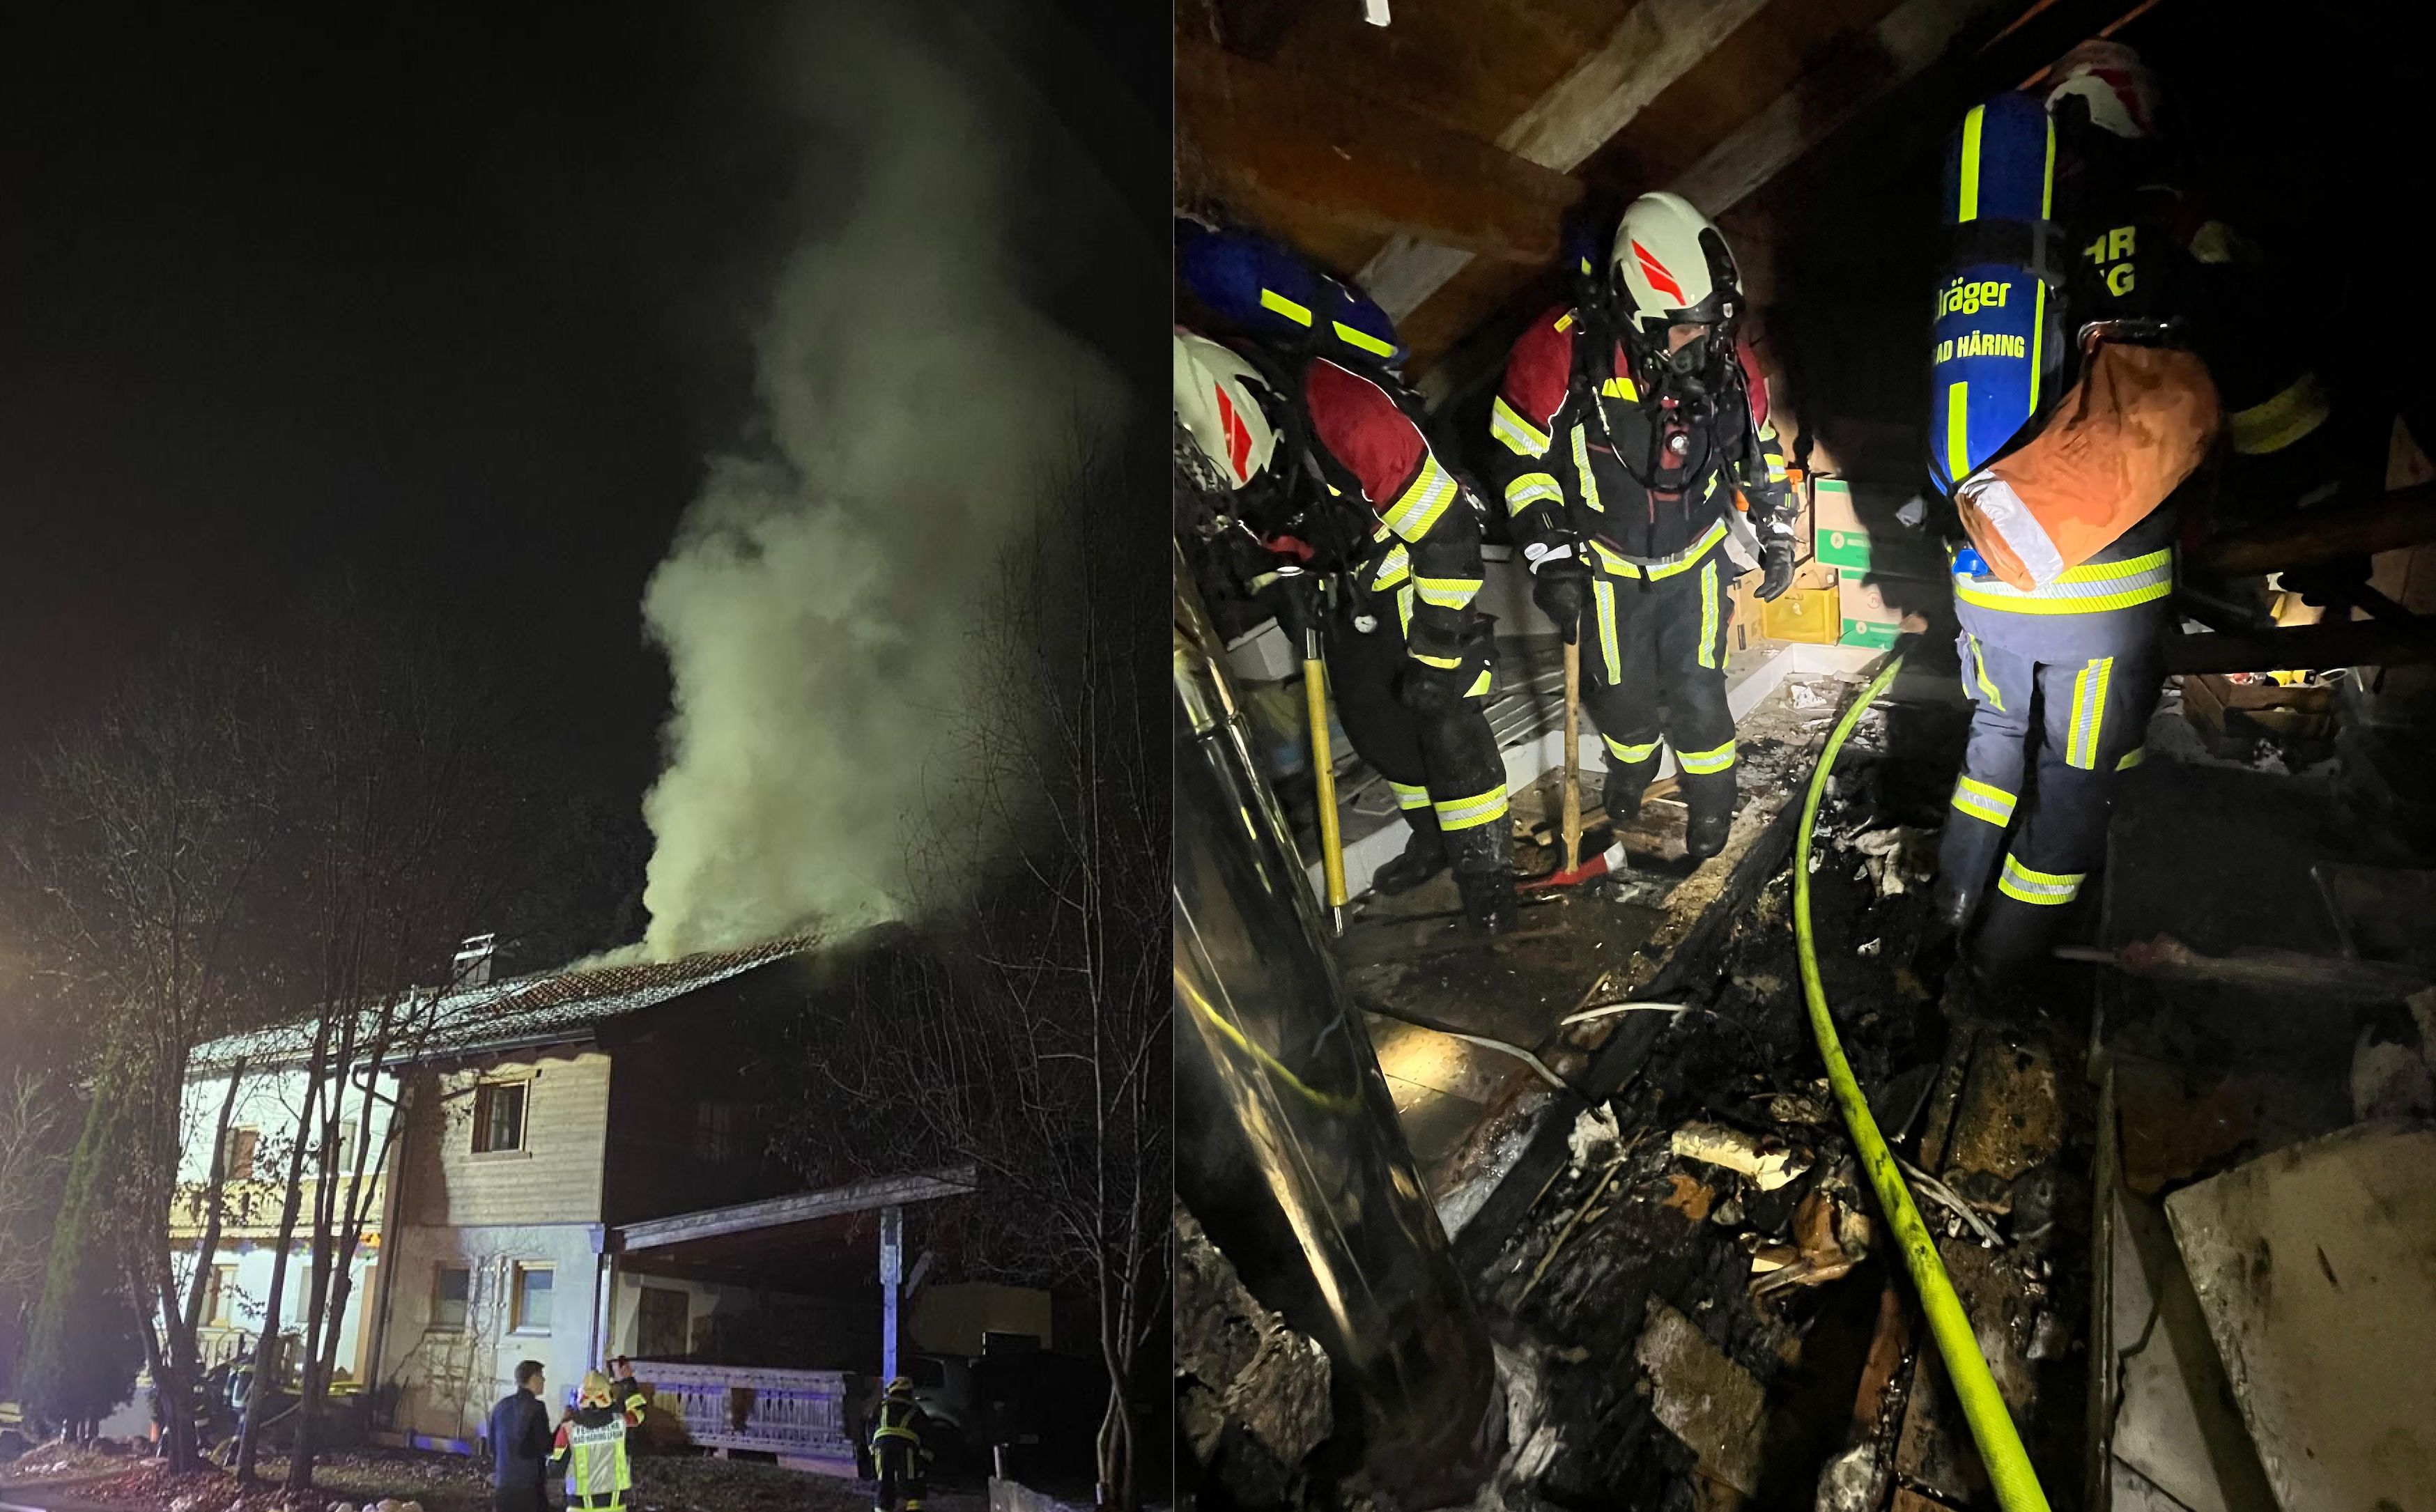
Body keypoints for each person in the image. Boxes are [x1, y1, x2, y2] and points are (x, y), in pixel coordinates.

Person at [1932, 43, 2221, 976]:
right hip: (2097, 595)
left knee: (1993, 752)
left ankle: (1948, 914)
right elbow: (2208, 397)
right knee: (2072, 792)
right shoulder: (2166, 228)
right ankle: (2000, 972)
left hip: (1984, 571)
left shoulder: (2006, 237)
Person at [1175, 310, 1518, 929]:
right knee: (1375, 726)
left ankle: (1487, 875)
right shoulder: (1211, 459)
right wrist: (1282, 585)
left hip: (1414, 568)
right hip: (1342, 589)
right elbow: (1258, 531)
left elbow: (1447, 536)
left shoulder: (1345, 413)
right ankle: (1433, 840)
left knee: (1444, 718)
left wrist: (1439, 649)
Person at [1488, 192, 1800, 861]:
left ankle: (1713, 807)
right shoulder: (1560, 356)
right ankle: (1633, 769)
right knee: (1622, 697)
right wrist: (1550, 554)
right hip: (1605, 568)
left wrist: (1777, 529)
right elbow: (1520, 457)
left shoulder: (1729, 361)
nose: (1703, 347)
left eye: (1712, 328)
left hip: (1696, 561)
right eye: (1683, 331)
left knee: (1697, 692)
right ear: (1634, 315)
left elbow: (1759, 446)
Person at [553, 1371, 640, 1512]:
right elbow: (639, 1412)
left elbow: (555, 1468)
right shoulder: (621, 1422)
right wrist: (628, 1380)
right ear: (608, 1397)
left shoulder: (567, 1429)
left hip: (578, 1506)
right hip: (613, 1506)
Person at [485, 1361, 554, 1512]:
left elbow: (491, 1447)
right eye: (541, 1376)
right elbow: (546, 1446)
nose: (544, 1380)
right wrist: (564, 1425)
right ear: (533, 1378)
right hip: (529, 1489)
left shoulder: (500, 1407)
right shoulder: (536, 1408)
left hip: (503, 1485)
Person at [867, 1375, 932, 1512]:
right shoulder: (916, 1410)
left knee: (884, 1481)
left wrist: (872, 1448)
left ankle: (882, 1508)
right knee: (910, 1481)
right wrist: (925, 1460)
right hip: (906, 1446)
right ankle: (912, 1508)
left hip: (882, 1444)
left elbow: (870, 1426)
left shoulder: (881, 1407)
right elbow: (927, 1433)